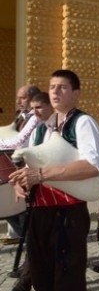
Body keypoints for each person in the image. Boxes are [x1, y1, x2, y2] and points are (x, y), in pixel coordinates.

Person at [8, 69, 99, 291]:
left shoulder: (82, 123)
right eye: (52, 87)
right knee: (40, 280)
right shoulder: (42, 128)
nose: (55, 92)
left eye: (62, 87)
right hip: (40, 211)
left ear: (76, 93)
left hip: (68, 211)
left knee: (68, 281)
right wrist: (20, 181)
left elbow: (93, 166)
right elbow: (29, 161)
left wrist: (41, 174)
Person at [0, 92, 53, 291]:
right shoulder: (38, 125)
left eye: (38, 107)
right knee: (36, 239)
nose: (34, 112)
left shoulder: (65, 125)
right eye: (32, 108)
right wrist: (21, 180)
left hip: (60, 191)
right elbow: (26, 148)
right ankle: (24, 287)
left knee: (47, 242)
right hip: (39, 186)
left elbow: (21, 142)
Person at [1, 84, 40, 245]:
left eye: (22, 97)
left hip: (26, 166)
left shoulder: (35, 118)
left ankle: (30, 240)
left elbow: (20, 142)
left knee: (21, 207)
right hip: (11, 167)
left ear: (33, 99)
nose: (18, 101)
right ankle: (21, 234)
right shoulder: (20, 116)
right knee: (9, 206)